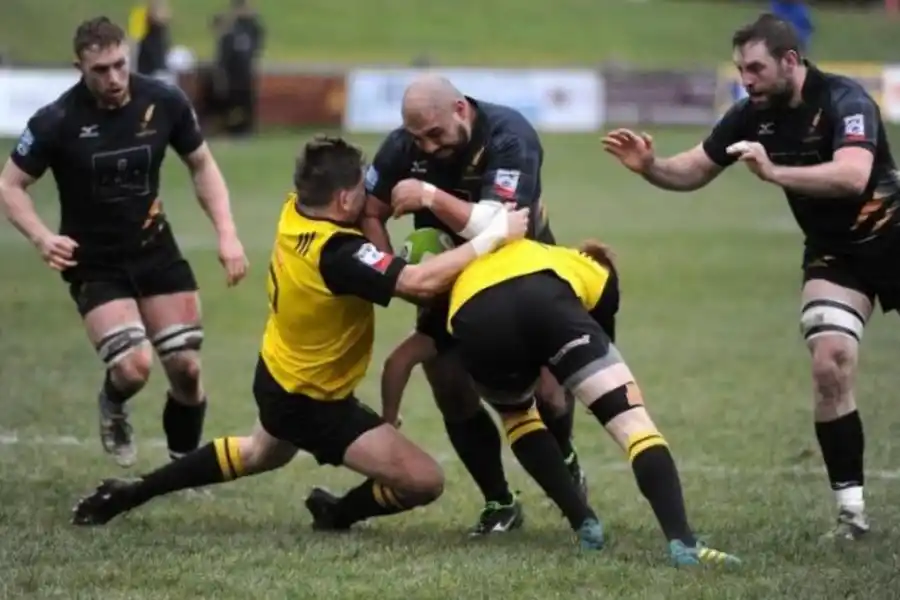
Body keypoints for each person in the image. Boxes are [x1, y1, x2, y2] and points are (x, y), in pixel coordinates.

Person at [71, 135, 530, 528]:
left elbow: (363, 242)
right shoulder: (339, 255)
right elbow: (416, 283)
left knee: (258, 454)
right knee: (425, 480)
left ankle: (132, 492)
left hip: (279, 375)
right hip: (314, 402)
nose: (369, 196)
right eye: (362, 189)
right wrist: (492, 236)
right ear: (345, 200)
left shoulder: (295, 211)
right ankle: (339, 514)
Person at [601, 14, 899, 540]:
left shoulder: (845, 100)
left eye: (756, 68)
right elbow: (692, 169)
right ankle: (852, 515)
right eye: (740, 69)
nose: (747, 79)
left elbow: (854, 175)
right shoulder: (749, 115)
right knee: (830, 362)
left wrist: (775, 172)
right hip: (837, 256)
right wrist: (650, 165)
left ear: (790, 61)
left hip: (892, 236)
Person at [0, 17, 248, 468]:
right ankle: (113, 404)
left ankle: (182, 466)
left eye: (119, 65)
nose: (113, 79)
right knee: (134, 368)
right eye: (100, 70)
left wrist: (227, 233)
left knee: (187, 370)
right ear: (80, 67)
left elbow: (201, 164)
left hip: (156, 250)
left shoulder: (165, 100)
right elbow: (9, 185)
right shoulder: (56, 120)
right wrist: (40, 237)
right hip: (94, 263)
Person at [361, 74, 585, 535]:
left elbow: (502, 224)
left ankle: (565, 464)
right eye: (415, 136)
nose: (424, 147)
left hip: (519, 273)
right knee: (450, 386)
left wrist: (428, 196)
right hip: (445, 282)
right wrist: (390, 269)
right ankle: (499, 501)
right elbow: (370, 211)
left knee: (547, 392)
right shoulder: (402, 148)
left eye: (435, 134)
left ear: (460, 110)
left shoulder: (510, 135)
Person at [444, 237, 741, 566]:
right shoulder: (594, 273)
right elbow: (594, 345)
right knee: (631, 422)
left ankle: (582, 521)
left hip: (473, 316)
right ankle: (683, 543)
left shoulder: (503, 261)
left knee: (517, 416)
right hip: (546, 303)